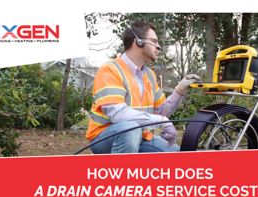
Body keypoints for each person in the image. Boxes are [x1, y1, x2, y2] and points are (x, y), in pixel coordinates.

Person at [85, 21, 201, 154]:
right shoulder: (110, 70)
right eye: (154, 41)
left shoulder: (149, 75)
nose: (158, 47)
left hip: (140, 136)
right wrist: (162, 121)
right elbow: (118, 115)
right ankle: (119, 173)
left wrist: (179, 90)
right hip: (104, 137)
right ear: (138, 41)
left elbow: (162, 112)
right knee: (130, 129)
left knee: (179, 156)